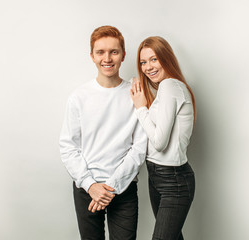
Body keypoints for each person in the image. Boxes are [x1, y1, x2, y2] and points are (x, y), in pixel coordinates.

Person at [59, 26, 147, 240]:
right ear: (92, 56)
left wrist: (111, 187)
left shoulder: (135, 94)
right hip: (86, 189)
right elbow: (68, 147)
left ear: (123, 55)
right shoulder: (79, 97)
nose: (107, 58)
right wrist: (91, 185)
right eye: (100, 52)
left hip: (123, 189)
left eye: (114, 52)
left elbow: (139, 148)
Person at [130, 36, 196, 240]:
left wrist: (141, 107)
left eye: (154, 59)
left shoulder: (171, 87)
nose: (148, 67)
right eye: (143, 62)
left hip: (173, 180)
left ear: (166, 58)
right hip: (157, 175)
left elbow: (159, 142)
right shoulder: (165, 90)